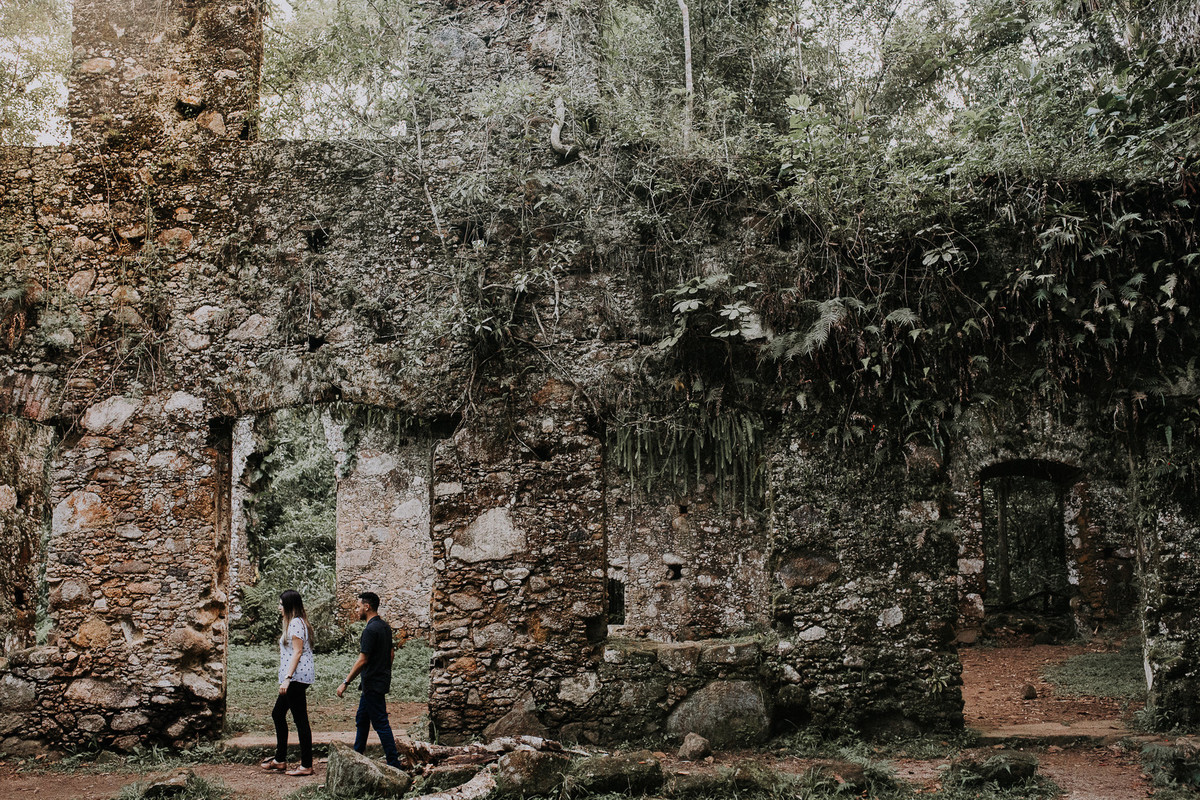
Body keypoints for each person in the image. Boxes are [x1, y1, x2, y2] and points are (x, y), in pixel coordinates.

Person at [336, 591, 403, 769]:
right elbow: (391, 654)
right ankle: (357, 756)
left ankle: (394, 763)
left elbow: (362, 660)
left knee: (380, 723)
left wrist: (346, 682)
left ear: (367, 607)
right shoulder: (384, 627)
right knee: (362, 719)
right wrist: (384, 671)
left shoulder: (370, 630)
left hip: (372, 682)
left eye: (358, 606)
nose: (356, 610)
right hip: (377, 681)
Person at [261, 589, 316, 777]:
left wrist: (287, 678)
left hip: (297, 677)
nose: (279, 607)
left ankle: (306, 765)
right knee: (277, 714)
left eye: (281, 604)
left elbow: (297, 652)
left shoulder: (295, 624)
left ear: (289, 606)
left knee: (300, 720)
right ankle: (280, 760)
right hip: (296, 676)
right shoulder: (297, 623)